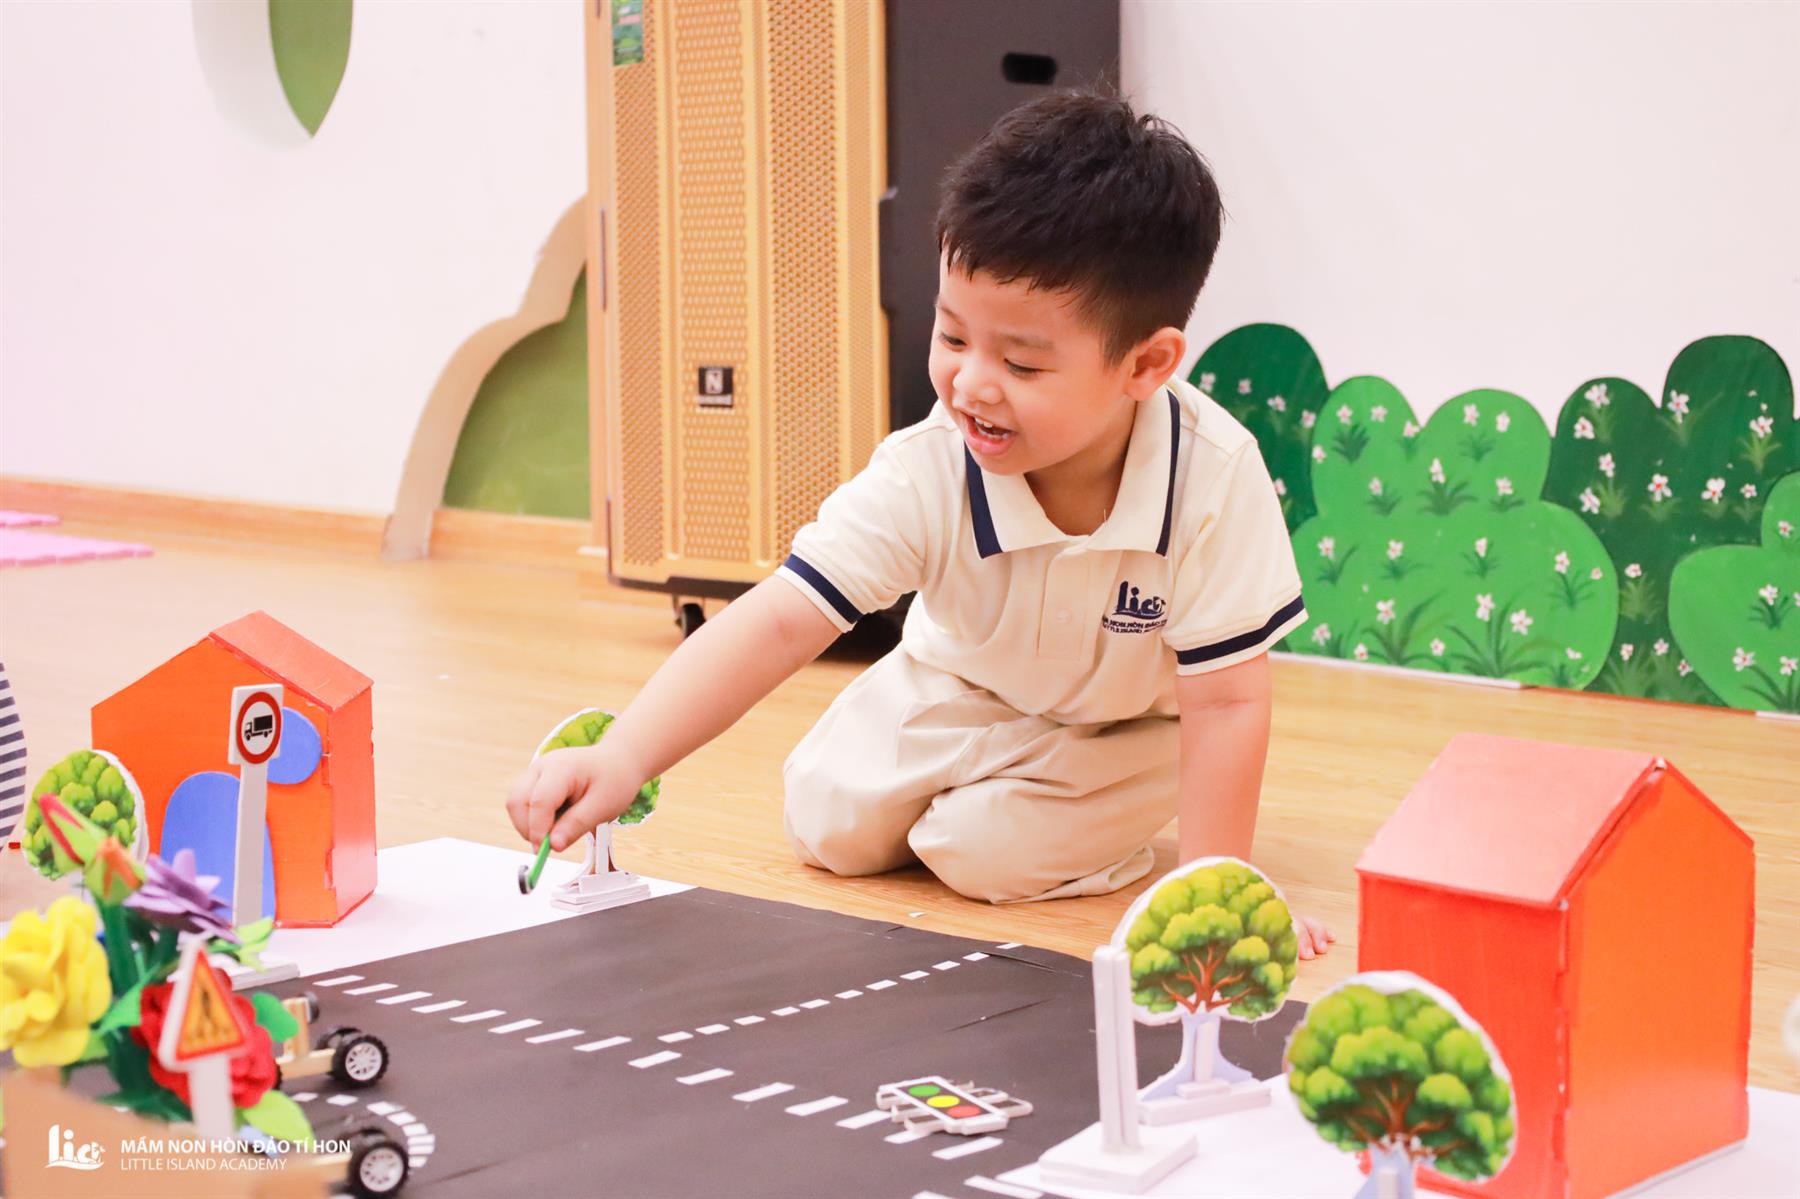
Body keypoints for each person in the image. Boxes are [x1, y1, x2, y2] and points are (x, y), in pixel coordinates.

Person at [507, 89, 1332, 957]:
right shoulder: (931, 462)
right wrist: (627, 753)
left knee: (983, 852)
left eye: (1021, 363)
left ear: (1146, 363)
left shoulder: (1212, 474)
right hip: (957, 688)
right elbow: (783, 616)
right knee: (823, 819)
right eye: (952, 336)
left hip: (1129, 730)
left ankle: (1044, 809)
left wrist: (1217, 893)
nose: (971, 384)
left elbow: (1228, 702)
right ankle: (994, 782)